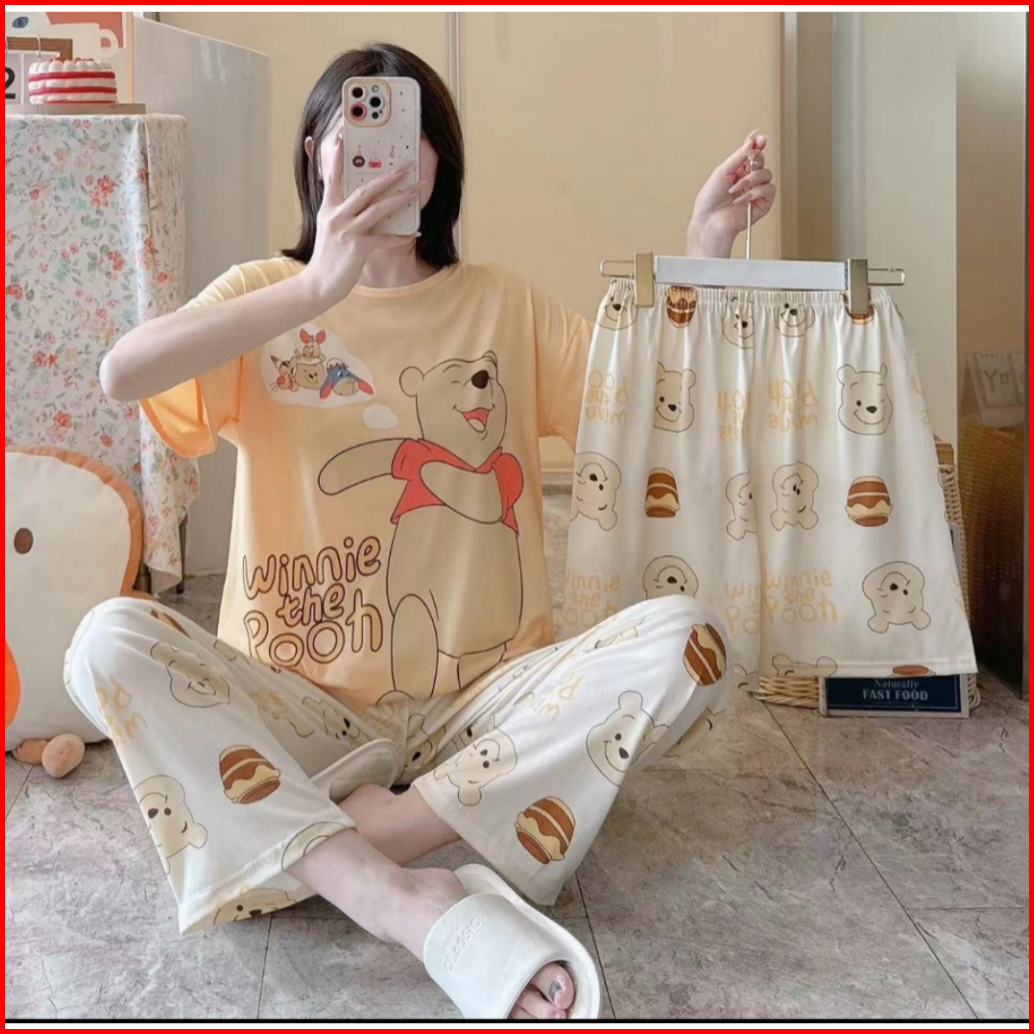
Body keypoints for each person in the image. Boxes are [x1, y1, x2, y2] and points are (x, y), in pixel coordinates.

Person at [68, 43, 775, 1020]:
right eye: (352, 127)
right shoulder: (262, 295)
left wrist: (706, 246)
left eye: (407, 131)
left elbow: (649, 411)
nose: (381, 152)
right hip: (299, 712)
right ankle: (394, 892)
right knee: (104, 642)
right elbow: (122, 373)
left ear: (441, 159)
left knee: (690, 638)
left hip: (483, 706)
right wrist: (313, 290)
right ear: (314, 154)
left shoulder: (503, 302)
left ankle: (366, 834)